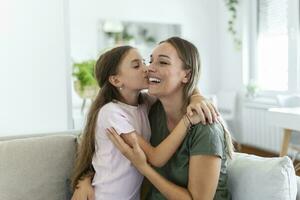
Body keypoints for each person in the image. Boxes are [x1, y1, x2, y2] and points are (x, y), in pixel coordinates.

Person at [70, 44, 219, 200]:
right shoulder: (111, 113)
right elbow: (156, 158)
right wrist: (187, 120)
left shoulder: (144, 103)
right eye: (136, 65)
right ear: (116, 79)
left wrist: (197, 96)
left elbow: (180, 88)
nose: (147, 68)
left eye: (144, 62)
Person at [107, 37, 234, 200]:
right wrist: (85, 179)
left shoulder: (205, 128)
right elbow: (105, 147)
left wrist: (144, 168)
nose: (149, 68)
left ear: (186, 75)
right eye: (151, 61)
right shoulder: (151, 112)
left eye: (163, 62)